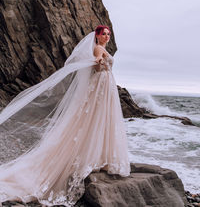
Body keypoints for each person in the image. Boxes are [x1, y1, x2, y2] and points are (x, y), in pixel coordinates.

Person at [0, 25, 131, 207]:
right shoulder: (98, 48)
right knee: (96, 119)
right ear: (97, 36)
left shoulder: (102, 47)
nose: (107, 37)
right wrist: (98, 61)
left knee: (99, 120)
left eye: (109, 34)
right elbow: (97, 59)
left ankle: (100, 157)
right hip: (100, 86)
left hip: (104, 86)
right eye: (104, 34)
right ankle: (97, 158)